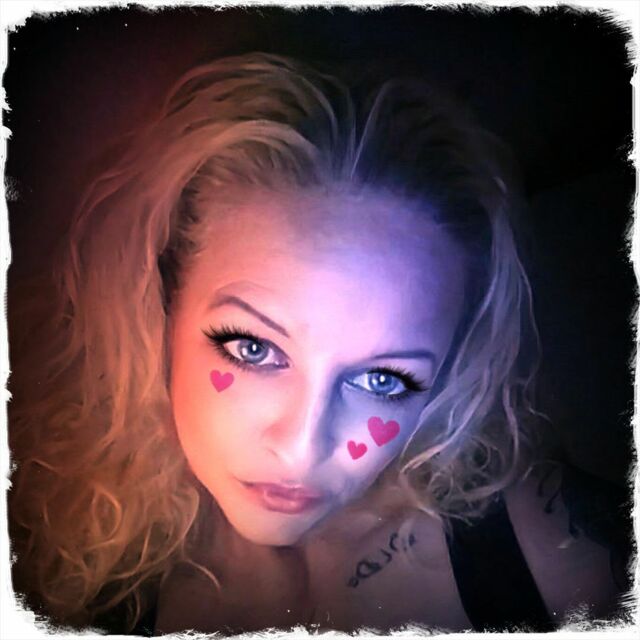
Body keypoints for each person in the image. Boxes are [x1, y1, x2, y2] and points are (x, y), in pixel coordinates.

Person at [7, 52, 631, 635]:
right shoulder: (69, 579)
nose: (303, 447)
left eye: (382, 380)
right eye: (254, 349)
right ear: (161, 312)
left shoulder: (562, 561)